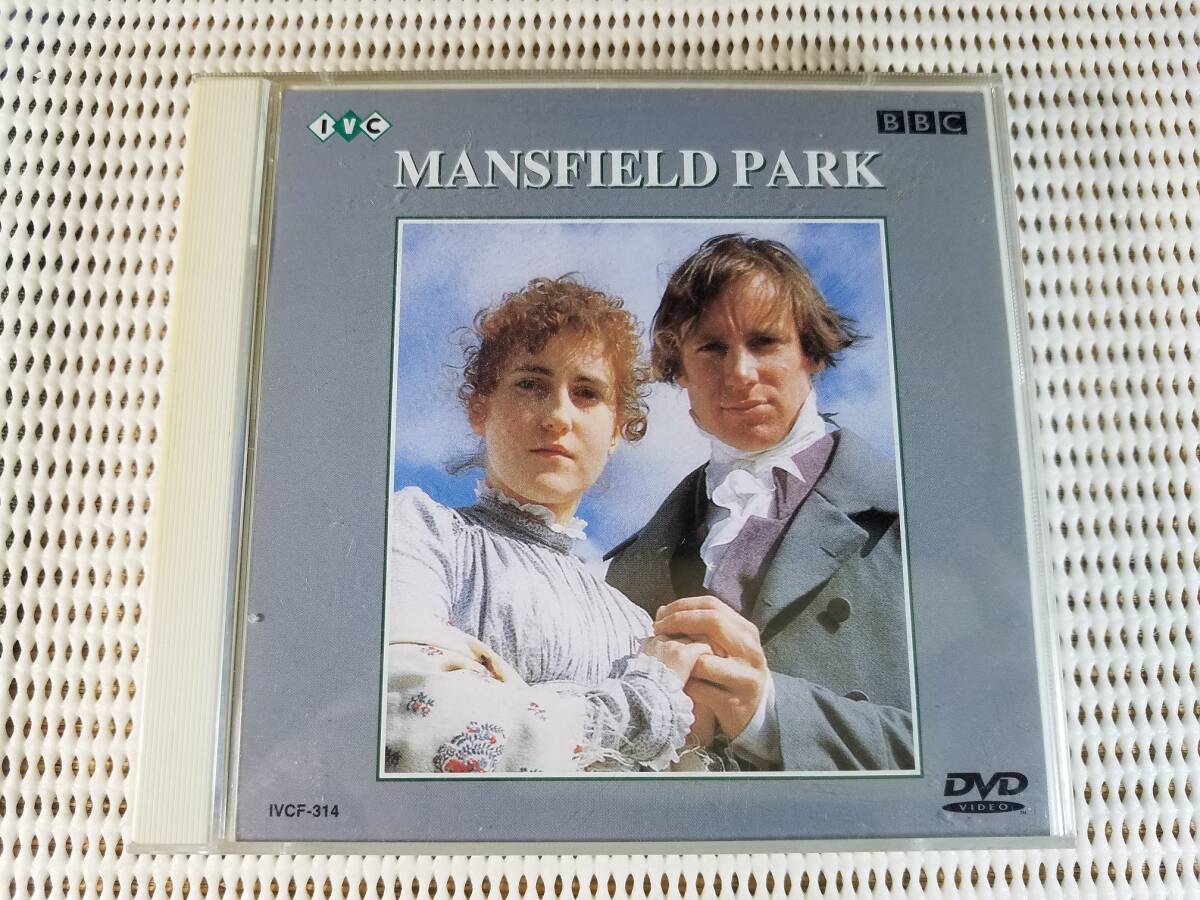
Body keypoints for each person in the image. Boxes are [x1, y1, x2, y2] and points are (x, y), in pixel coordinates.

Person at [605, 234, 914, 771]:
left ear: (811, 354)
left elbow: (985, 749)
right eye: (711, 348)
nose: (739, 374)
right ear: (679, 371)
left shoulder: (916, 519)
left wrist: (771, 715)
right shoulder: (625, 571)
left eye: (765, 342)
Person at [384, 277, 708, 774]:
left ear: (617, 430)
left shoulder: (637, 627)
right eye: (531, 384)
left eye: (587, 393)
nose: (558, 415)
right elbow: (409, 720)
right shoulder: (422, 530)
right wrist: (641, 705)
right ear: (479, 409)